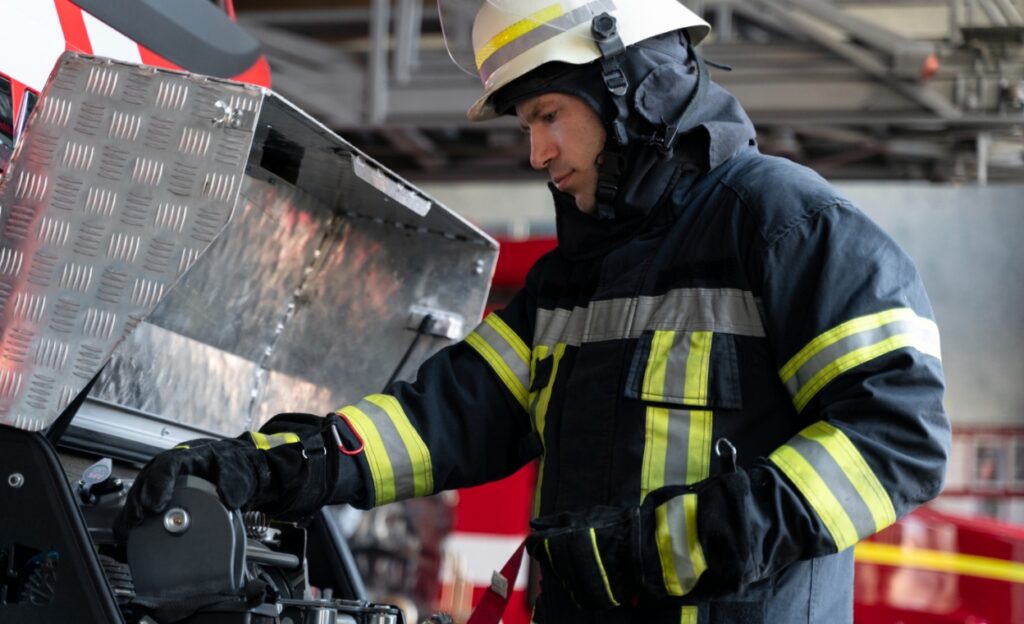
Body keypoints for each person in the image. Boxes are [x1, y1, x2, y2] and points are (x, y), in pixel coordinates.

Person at [117, 1, 951, 621]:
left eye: (549, 115)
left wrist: (667, 547)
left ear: (632, 87)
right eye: (527, 123)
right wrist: (270, 466)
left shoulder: (786, 226)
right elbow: (442, 419)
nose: (536, 152)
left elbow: (898, 437)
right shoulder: (572, 282)